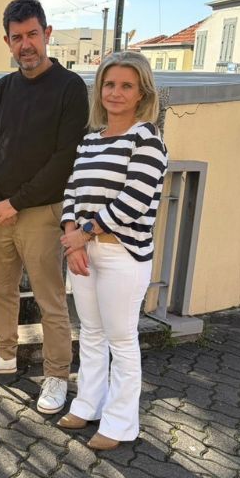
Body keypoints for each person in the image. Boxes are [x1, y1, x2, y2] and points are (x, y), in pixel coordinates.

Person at [0, 0, 89, 416]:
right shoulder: (3, 89)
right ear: (7, 41)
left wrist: (15, 202)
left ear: (47, 34)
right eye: (17, 38)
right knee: (1, 291)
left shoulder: (70, 88)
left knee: (51, 299)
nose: (26, 45)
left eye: (33, 34)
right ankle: (3, 354)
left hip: (42, 213)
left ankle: (56, 375)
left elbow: (65, 158)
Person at [58, 51, 168, 451]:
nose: (115, 93)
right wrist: (72, 236)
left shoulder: (147, 139)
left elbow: (133, 201)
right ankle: (88, 404)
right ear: (99, 89)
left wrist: (82, 235)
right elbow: (72, 191)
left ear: (141, 94)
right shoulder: (90, 140)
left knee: (121, 339)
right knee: (89, 333)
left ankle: (121, 424)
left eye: (126, 85)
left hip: (123, 254)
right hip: (84, 251)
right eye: (109, 84)